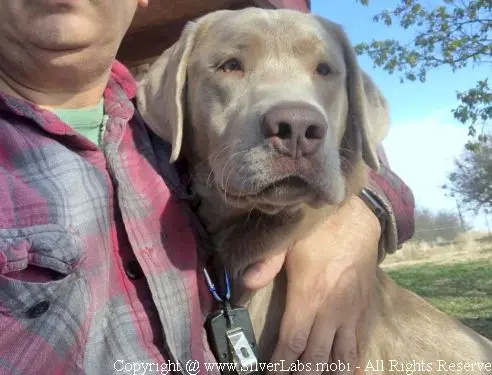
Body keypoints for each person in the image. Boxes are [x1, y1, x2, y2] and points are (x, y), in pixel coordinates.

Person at [0, 1, 414, 374]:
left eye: (323, 70)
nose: (296, 117)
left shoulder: (154, 131)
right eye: (232, 65)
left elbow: (370, 159)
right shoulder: (174, 113)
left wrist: (360, 215)